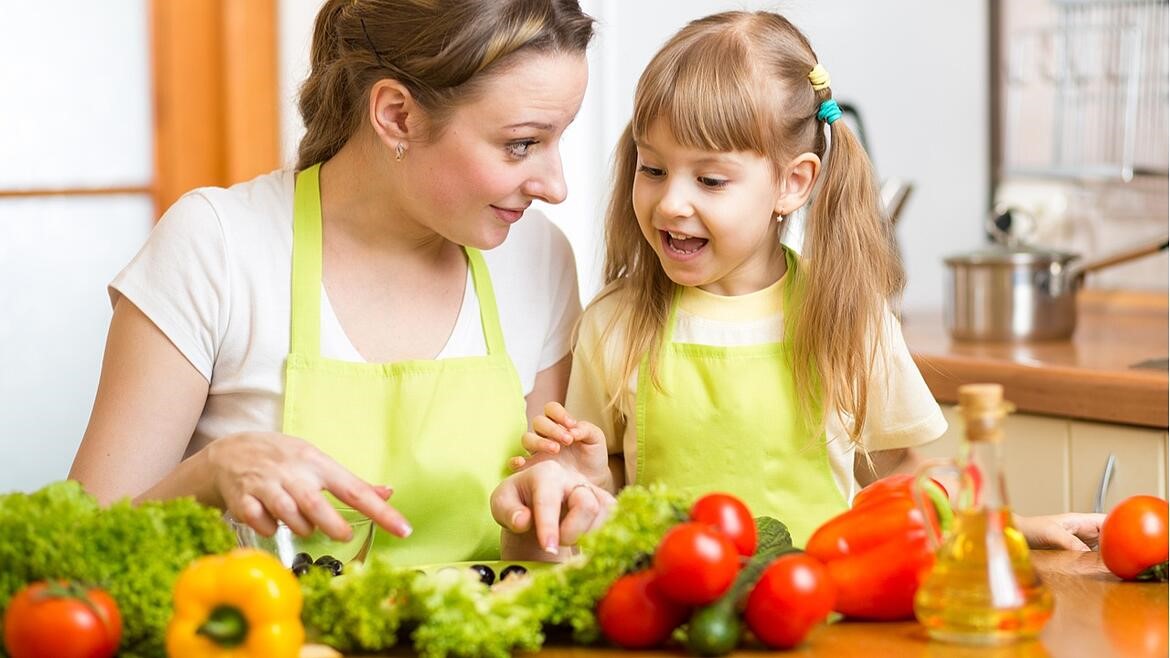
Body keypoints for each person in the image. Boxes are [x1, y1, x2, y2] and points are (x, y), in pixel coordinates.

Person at [492, 10, 1103, 554]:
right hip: (676, 618)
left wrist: (1008, 524)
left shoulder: (847, 317)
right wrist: (590, 478)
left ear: (793, 182)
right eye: (653, 168)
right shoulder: (613, 324)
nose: (670, 203)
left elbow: (902, 474)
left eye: (710, 181)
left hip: (823, 613)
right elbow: (613, 483)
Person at [68, 0, 604, 566]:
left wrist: (561, 511)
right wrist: (212, 471)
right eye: (521, 144)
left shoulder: (539, 255)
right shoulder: (219, 245)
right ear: (397, 115)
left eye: (558, 139)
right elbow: (78, 554)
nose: (555, 185)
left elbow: (538, 549)